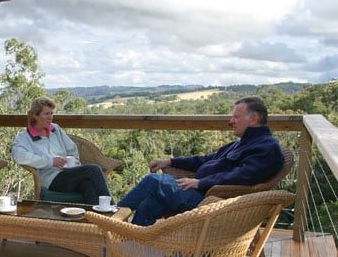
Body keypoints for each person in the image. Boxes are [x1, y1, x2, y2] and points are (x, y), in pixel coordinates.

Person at [117, 96, 284, 226]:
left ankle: (109, 221)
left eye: (236, 117)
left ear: (253, 119)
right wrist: (170, 162)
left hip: (211, 201)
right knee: (149, 204)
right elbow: (206, 159)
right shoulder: (243, 142)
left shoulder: (267, 148)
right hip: (199, 189)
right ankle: (131, 248)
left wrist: (200, 182)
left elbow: (242, 176)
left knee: (152, 181)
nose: (231, 121)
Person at [12, 96, 112, 205]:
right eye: (46, 114)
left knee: (88, 184)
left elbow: (71, 149)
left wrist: (74, 162)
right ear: (35, 115)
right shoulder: (25, 137)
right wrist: (51, 161)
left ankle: (96, 218)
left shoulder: (55, 129)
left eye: (51, 113)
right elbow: (19, 156)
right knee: (94, 170)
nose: (50, 117)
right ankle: (112, 208)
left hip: (69, 173)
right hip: (51, 179)